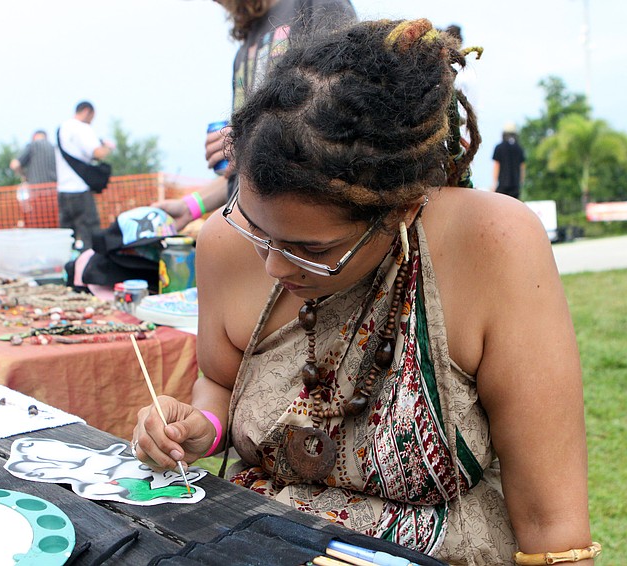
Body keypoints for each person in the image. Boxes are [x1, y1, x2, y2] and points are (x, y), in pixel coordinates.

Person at [133, 19, 596, 565]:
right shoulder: (222, 245)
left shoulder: (490, 244)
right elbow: (221, 380)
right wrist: (197, 430)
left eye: (312, 249)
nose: (275, 265)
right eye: (257, 230)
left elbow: (552, 524)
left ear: (401, 207)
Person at [153, 0, 357, 232]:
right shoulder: (245, 48)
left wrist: (248, 136)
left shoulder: (316, 5)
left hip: (297, 228)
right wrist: (190, 206)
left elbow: (337, 111)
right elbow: (245, 171)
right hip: (251, 226)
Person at [55, 101, 112, 250]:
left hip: (63, 190)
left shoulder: (62, 128)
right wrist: (107, 147)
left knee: (66, 237)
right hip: (80, 190)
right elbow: (97, 153)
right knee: (91, 235)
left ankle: (67, 268)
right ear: (87, 111)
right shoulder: (82, 128)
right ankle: (91, 268)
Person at [492, 122, 526, 200]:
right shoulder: (519, 148)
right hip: (515, 186)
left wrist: (494, 184)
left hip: (502, 186)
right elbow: (522, 167)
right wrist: (521, 182)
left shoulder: (499, 147)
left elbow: (496, 166)